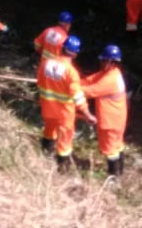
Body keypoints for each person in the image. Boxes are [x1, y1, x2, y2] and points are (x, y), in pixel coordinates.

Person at [36, 35, 97, 169]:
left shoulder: (46, 63)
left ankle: (45, 155)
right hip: (64, 113)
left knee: (49, 130)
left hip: (47, 108)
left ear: (62, 48)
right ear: (75, 53)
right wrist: (88, 114)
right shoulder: (71, 72)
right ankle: (62, 169)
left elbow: (39, 82)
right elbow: (78, 97)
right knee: (64, 140)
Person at [81, 44, 128, 176]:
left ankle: (113, 176)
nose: (101, 62)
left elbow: (90, 91)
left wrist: (70, 88)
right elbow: (91, 80)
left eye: (103, 60)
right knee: (117, 145)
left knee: (110, 150)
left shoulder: (110, 80)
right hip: (117, 120)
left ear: (110, 61)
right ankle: (120, 172)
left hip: (110, 121)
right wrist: (76, 81)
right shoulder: (113, 73)